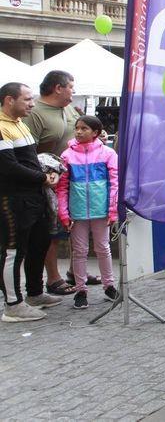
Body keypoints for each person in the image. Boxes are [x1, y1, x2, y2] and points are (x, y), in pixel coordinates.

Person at [0, 81, 62, 321]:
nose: (32, 104)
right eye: (27, 99)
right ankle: (13, 305)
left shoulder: (20, 124)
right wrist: (43, 177)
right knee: (13, 251)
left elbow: (30, 159)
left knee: (39, 243)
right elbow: (8, 166)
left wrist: (49, 171)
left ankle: (35, 293)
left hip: (34, 196)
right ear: (9, 100)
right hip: (13, 200)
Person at [54, 115, 119, 309]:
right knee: (79, 251)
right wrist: (64, 213)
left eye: (84, 128)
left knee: (103, 248)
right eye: (77, 128)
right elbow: (62, 187)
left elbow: (115, 182)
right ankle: (80, 289)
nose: (79, 131)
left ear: (96, 132)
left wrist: (112, 209)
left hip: (101, 211)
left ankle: (109, 285)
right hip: (78, 211)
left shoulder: (108, 154)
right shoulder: (67, 155)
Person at [24, 70, 79, 296]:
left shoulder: (67, 108)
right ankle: (53, 278)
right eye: (71, 87)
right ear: (58, 88)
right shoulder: (35, 113)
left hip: (76, 179)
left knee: (79, 226)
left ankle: (78, 272)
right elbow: (28, 151)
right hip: (51, 183)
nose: (73, 91)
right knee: (53, 232)